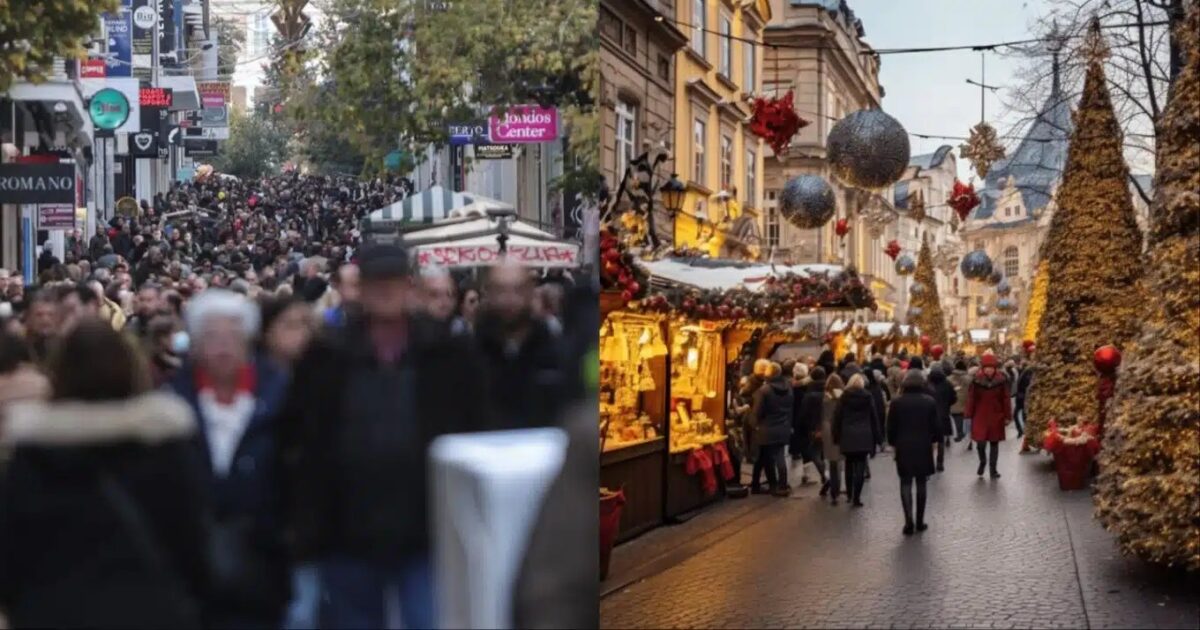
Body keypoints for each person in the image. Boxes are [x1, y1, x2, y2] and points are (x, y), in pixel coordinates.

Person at [277, 244, 487, 630]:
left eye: (393, 282)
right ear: (361, 289)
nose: (385, 292)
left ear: (409, 287)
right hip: (347, 528)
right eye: (377, 283)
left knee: (428, 618)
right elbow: (300, 434)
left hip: (426, 525)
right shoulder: (328, 355)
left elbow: (474, 424)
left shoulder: (446, 351)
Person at [0, 319, 210, 628]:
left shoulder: (35, 452)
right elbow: (191, 539)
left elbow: (11, 553)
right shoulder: (162, 444)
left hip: (53, 610)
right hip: (148, 609)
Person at [168, 289, 292, 628]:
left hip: (265, 563)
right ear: (194, 343)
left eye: (232, 335)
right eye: (211, 335)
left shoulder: (281, 398)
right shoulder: (171, 406)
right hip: (192, 565)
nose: (223, 344)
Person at [475, 263, 565, 430]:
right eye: (501, 290)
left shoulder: (555, 352)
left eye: (517, 290)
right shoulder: (468, 352)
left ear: (530, 292)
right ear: (489, 292)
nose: (509, 298)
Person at [887, 370, 942, 535]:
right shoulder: (929, 402)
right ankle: (919, 520)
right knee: (921, 482)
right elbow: (936, 427)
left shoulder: (897, 402)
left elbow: (890, 427)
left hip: (903, 445)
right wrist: (935, 442)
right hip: (923, 445)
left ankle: (908, 521)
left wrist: (893, 443)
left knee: (905, 482)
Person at [833, 373, 879, 507]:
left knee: (849, 465)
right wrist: (878, 437)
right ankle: (857, 497)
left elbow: (838, 417)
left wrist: (836, 435)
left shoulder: (844, 397)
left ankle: (849, 494)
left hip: (847, 434)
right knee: (860, 465)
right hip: (864, 434)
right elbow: (873, 417)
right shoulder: (868, 396)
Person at [749, 361, 792, 496]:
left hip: (766, 428)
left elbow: (757, 411)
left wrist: (753, 423)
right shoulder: (788, 388)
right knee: (780, 457)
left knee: (767, 457)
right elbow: (792, 408)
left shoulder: (765, 390)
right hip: (783, 426)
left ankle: (773, 485)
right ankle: (782, 485)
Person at [965, 352, 1012, 479]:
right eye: (987, 368)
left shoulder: (1001, 380)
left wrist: (1008, 416)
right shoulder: (976, 381)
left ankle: (993, 470)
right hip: (980, 415)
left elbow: (1006, 399)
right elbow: (971, 398)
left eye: (991, 368)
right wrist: (968, 414)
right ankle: (982, 461)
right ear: (983, 368)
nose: (989, 370)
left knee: (994, 443)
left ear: (995, 368)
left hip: (996, 415)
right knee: (980, 443)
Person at [794, 365, 828, 492]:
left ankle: (826, 475)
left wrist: (799, 427)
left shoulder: (809, 394)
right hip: (827, 426)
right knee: (822, 452)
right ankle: (826, 477)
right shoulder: (828, 391)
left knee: (813, 452)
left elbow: (803, 414)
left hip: (813, 428)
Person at [820, 372, 845, 505]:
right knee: (838, 461)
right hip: (839, 428)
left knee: (831, 461)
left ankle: (832, 487)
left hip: (827, 429)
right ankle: (836, 488)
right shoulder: (843, 397)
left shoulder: (825, 398)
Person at [926, 364, 957, 472]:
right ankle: (940, 462)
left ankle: (929, 462)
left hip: (929, 415)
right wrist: (947, 404)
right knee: (941, 440)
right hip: (943, 414)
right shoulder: (947, 383)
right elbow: (954, 397)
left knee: (929, 440)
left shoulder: (927, 384)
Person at [948, 359, 971, 444]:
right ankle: (966, 436)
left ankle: (959, 432)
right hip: (966, 403)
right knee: (966, 419)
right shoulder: (969, 379)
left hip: (953, 404)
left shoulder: (949, 379)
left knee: (956, 417)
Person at [1015, 363, 1034, 443]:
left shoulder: (1028, 372)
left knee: (1023, 415)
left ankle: (1026, 433)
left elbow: (1026, 385)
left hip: (1023, 397)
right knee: (1022, 415)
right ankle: (1024, 432)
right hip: (1022, 397)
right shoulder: (1025, 371)